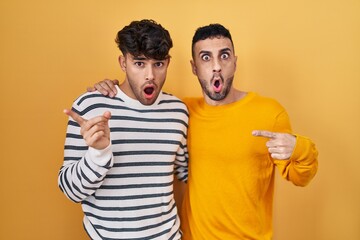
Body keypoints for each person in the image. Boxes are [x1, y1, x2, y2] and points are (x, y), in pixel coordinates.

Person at [90, 23, 318, 240]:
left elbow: (300, 177)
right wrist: (111, 90)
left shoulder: (270, 113)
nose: (216, 66)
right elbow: (139, 105)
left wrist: (299, 147)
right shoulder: (181, 113)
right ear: (194, 67)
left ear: (235, 62)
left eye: (224, 56)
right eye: (206, 57)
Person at [58, 19, 189, 240]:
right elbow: (71, 192)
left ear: (168, 62)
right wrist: (98, 154)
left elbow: (187, 174)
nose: (150, 75)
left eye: (158, 64)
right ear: (123, 62)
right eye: (139, 63)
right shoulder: (90, 106)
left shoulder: (178, 111)